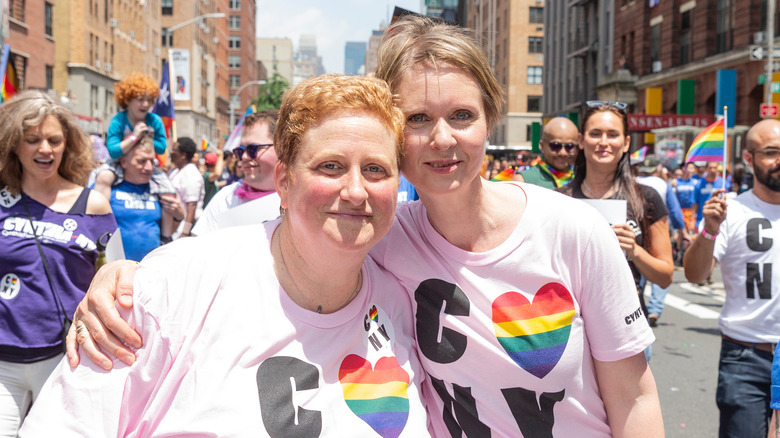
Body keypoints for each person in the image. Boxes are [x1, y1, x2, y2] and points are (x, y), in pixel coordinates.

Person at [69, 16, 664, 437]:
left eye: (462, 115)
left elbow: (635, 398)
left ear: (490, 117)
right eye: (417, 120)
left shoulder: (573, 232)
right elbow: (276, 241)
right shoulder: (380, 235)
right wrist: (127, 281)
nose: (443, 139)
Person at [19, 74, 428, 437]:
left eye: (376, 169)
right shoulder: (171, 287)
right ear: (284, 182)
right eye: (330, 166)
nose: (356, 191)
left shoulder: (401, 301)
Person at [0, 90, 117, 436]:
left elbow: (118, 276)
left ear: (68, 144)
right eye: (32, 140)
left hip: (66, 357)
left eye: (54, 140)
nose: (44, 150)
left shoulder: (92, 204)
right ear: (13, 145)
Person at [684, 118, 780, 438]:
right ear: (749, 159)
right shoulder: (731, 211)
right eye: (771, 152)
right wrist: (709, 230)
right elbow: (696, 274)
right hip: (746, 357)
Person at [560, 102, 674, 333]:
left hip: (626, 327)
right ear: (581, 141)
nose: (603, 142)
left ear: (626, 143)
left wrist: (634, 250)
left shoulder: (647, 199)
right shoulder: (559, 200)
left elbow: (665, 276)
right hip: (569, 328)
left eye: (613, 134)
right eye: (595, 134)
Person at [92, 73, 177, 240]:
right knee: (102, 177)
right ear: (128, 100)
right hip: (118, 163)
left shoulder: (155, 120)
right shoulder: (119, 120)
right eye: (139, 99)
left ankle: (165, 237)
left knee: (168, 191)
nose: (145, 104)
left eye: (149, 100)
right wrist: (135, 137)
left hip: (148, 164)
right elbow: (114, 150)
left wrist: (149, 137)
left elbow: (161, 149)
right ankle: (99, 222)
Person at [190, 110, 282, 236]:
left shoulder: (302, 199)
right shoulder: (225, 198)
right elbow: (198, 247)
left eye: (253, 149)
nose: (244, 157)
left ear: (283, 148)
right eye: (240, 150)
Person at [635, 154, 690, 326]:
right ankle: (654, 310)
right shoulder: (662, 184)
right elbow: (674, 211)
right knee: (661, 268)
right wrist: (683, 230)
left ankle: (639, 305)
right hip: (658, 233)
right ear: (657, 169)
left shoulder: (632, 182)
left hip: (636, 234)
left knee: (639, 273)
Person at [111, 137, 183, 261]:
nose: (149, 167)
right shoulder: (108, 189)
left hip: (152, 269)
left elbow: (169, 232)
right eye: (142, 161)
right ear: (123, 161)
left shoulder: (161, 191)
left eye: (152, 161)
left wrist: (178, 216)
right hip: (115, 270)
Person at [514, 116, 578, 188]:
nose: (563, 153)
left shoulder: (584, 178)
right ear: (542, 146)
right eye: (555, 146)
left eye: (569, 146)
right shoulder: (524, 181)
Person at [168, 137, 204, 238]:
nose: (171, 152)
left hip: (183, 230)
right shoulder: (177, 172)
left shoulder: (191, 174)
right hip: (175, 226)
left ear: (183, 155)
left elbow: (191, 205)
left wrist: (185, 232)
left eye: (174, 150)